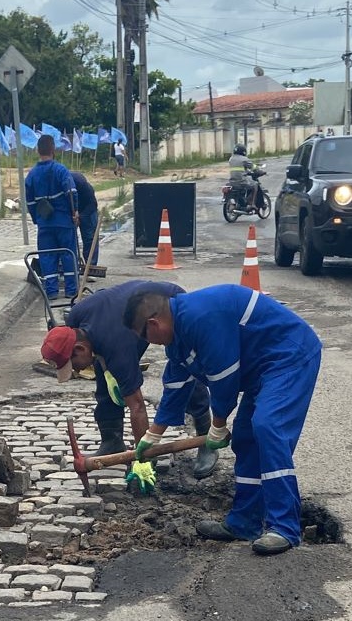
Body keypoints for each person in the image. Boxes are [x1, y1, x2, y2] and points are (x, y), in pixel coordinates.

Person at [124, 285, 323, 556]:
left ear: (154, 323)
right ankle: (244, 522)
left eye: (144, 336)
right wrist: (154, 434)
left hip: (289, 356)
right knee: (245, 437)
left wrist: (217, 424)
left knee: (267, 426)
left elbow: (224, 376)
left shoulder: (200, 316)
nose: (149, 343)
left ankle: (285, 527)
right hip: (260, 369)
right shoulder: (179, 332)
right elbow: (176, 383)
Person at [39, 280, 218, 478]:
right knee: (102, 375)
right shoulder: (76, 316)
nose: (77, 370)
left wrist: (144, 460)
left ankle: (206, 439)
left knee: (186, 368)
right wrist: (107, 371)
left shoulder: (118, 350)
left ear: (80, 348)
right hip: (125, 313)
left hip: (165, 302)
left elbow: (137, 407)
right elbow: (100, 339)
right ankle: (112, 441)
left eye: (73, 365)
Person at [25, 135, 79, 300]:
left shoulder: (32, 175)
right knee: (68, 254)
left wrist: (36, 219)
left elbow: (30, 202)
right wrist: (74, 211)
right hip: (64, 222)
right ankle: (71, 290)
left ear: (37, 150)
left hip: (45, 224)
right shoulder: (61, 170)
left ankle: (52, 291)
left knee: (47, 256)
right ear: (53, 149)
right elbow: (71, 193)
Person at [70, 171, 99, 269]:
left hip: (87, 209)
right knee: (68, 238)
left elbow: (92, 204)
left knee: (89, 237)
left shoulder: (84, 186)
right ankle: (70, 266)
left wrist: (81, 216)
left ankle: (91, 266)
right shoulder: (60, 185)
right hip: (71, 210)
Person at [228, 143, 257, 211]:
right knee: (255, 185)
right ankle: (252, 204)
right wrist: (260, 170)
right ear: (243, 151)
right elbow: (253, 167)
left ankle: (237, 203)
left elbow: (239, 169)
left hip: (232, 181)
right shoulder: (244, 159)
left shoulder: (231, 159)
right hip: (242, 181)